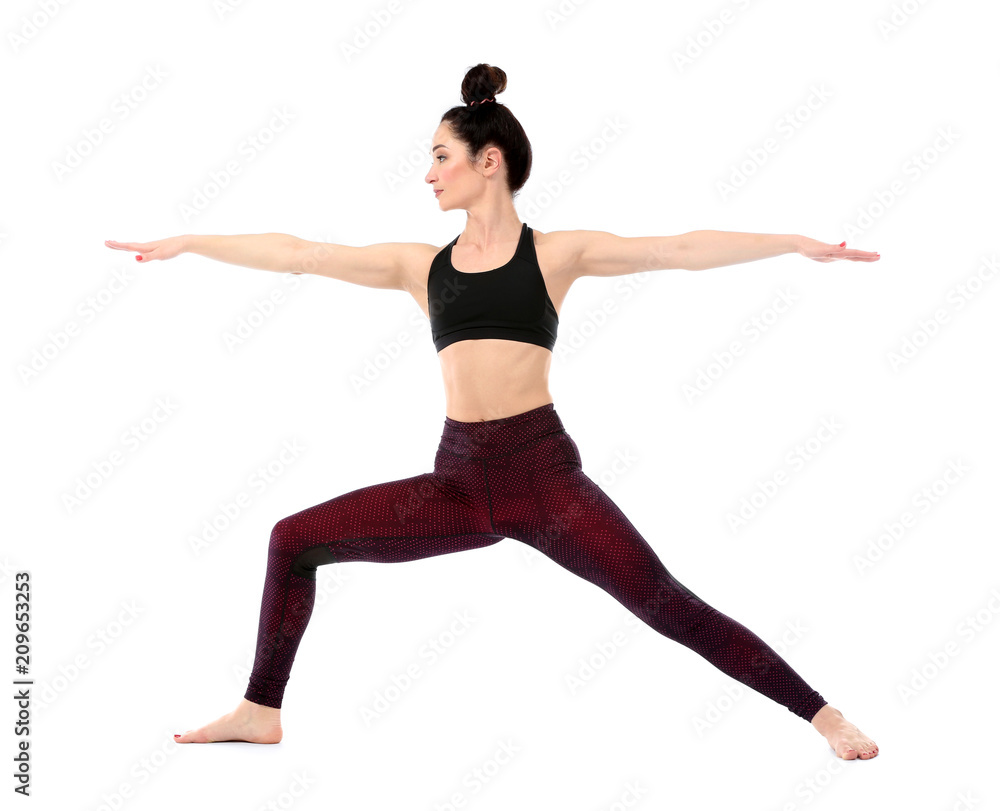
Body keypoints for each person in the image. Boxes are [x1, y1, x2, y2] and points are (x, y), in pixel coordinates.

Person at [105, 63, 880, 759]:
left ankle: (820, 712)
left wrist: (790, 243)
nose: (428, 173)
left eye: (441, 156)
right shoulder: (421, 266)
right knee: (292, 539)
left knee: (662, 601)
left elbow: (674, 249)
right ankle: (259, 708)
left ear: (489, 161)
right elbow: (301, 252)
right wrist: (192, 241)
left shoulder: (556, 253)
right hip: (456, 482)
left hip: (543, 477)